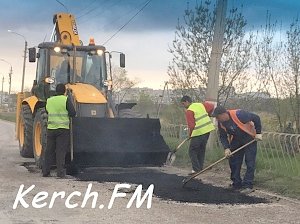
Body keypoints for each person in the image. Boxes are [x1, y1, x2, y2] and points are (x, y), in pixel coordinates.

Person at [212, 105, 262, 193]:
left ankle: (248, 185)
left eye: (217, 117)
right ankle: (236, 183)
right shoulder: (221, 123)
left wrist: (258, 133)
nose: (216, 119)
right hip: (236, 139)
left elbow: (256, 118)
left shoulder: (239, 114)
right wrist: (226, 148)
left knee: (249, 162)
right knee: (233, 160)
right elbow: (223, 136)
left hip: (249, 137)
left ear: (223, 114)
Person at [42, 84, 76, 178]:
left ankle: (45, 172)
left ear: (56, 91)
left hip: (51, 128)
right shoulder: (65, 99)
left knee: (49, 151)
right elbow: (73, 113)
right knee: (60, 151)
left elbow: (47, 111)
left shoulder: (49, 100)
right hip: (62, 129)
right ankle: (60, 173)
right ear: (64, 91)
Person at [180, 96, 215, 175]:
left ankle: (196, 169)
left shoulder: (189, 111)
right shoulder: (200, 105)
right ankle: (200, 168)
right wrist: (208, 114)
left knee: (192, 151)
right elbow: (211, 106)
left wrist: (190, 135)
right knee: (201, 150)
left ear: (187, 101)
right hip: (207, 130)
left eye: (183, 104)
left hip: (199, 132)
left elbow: (191, 126)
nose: (183, 106)